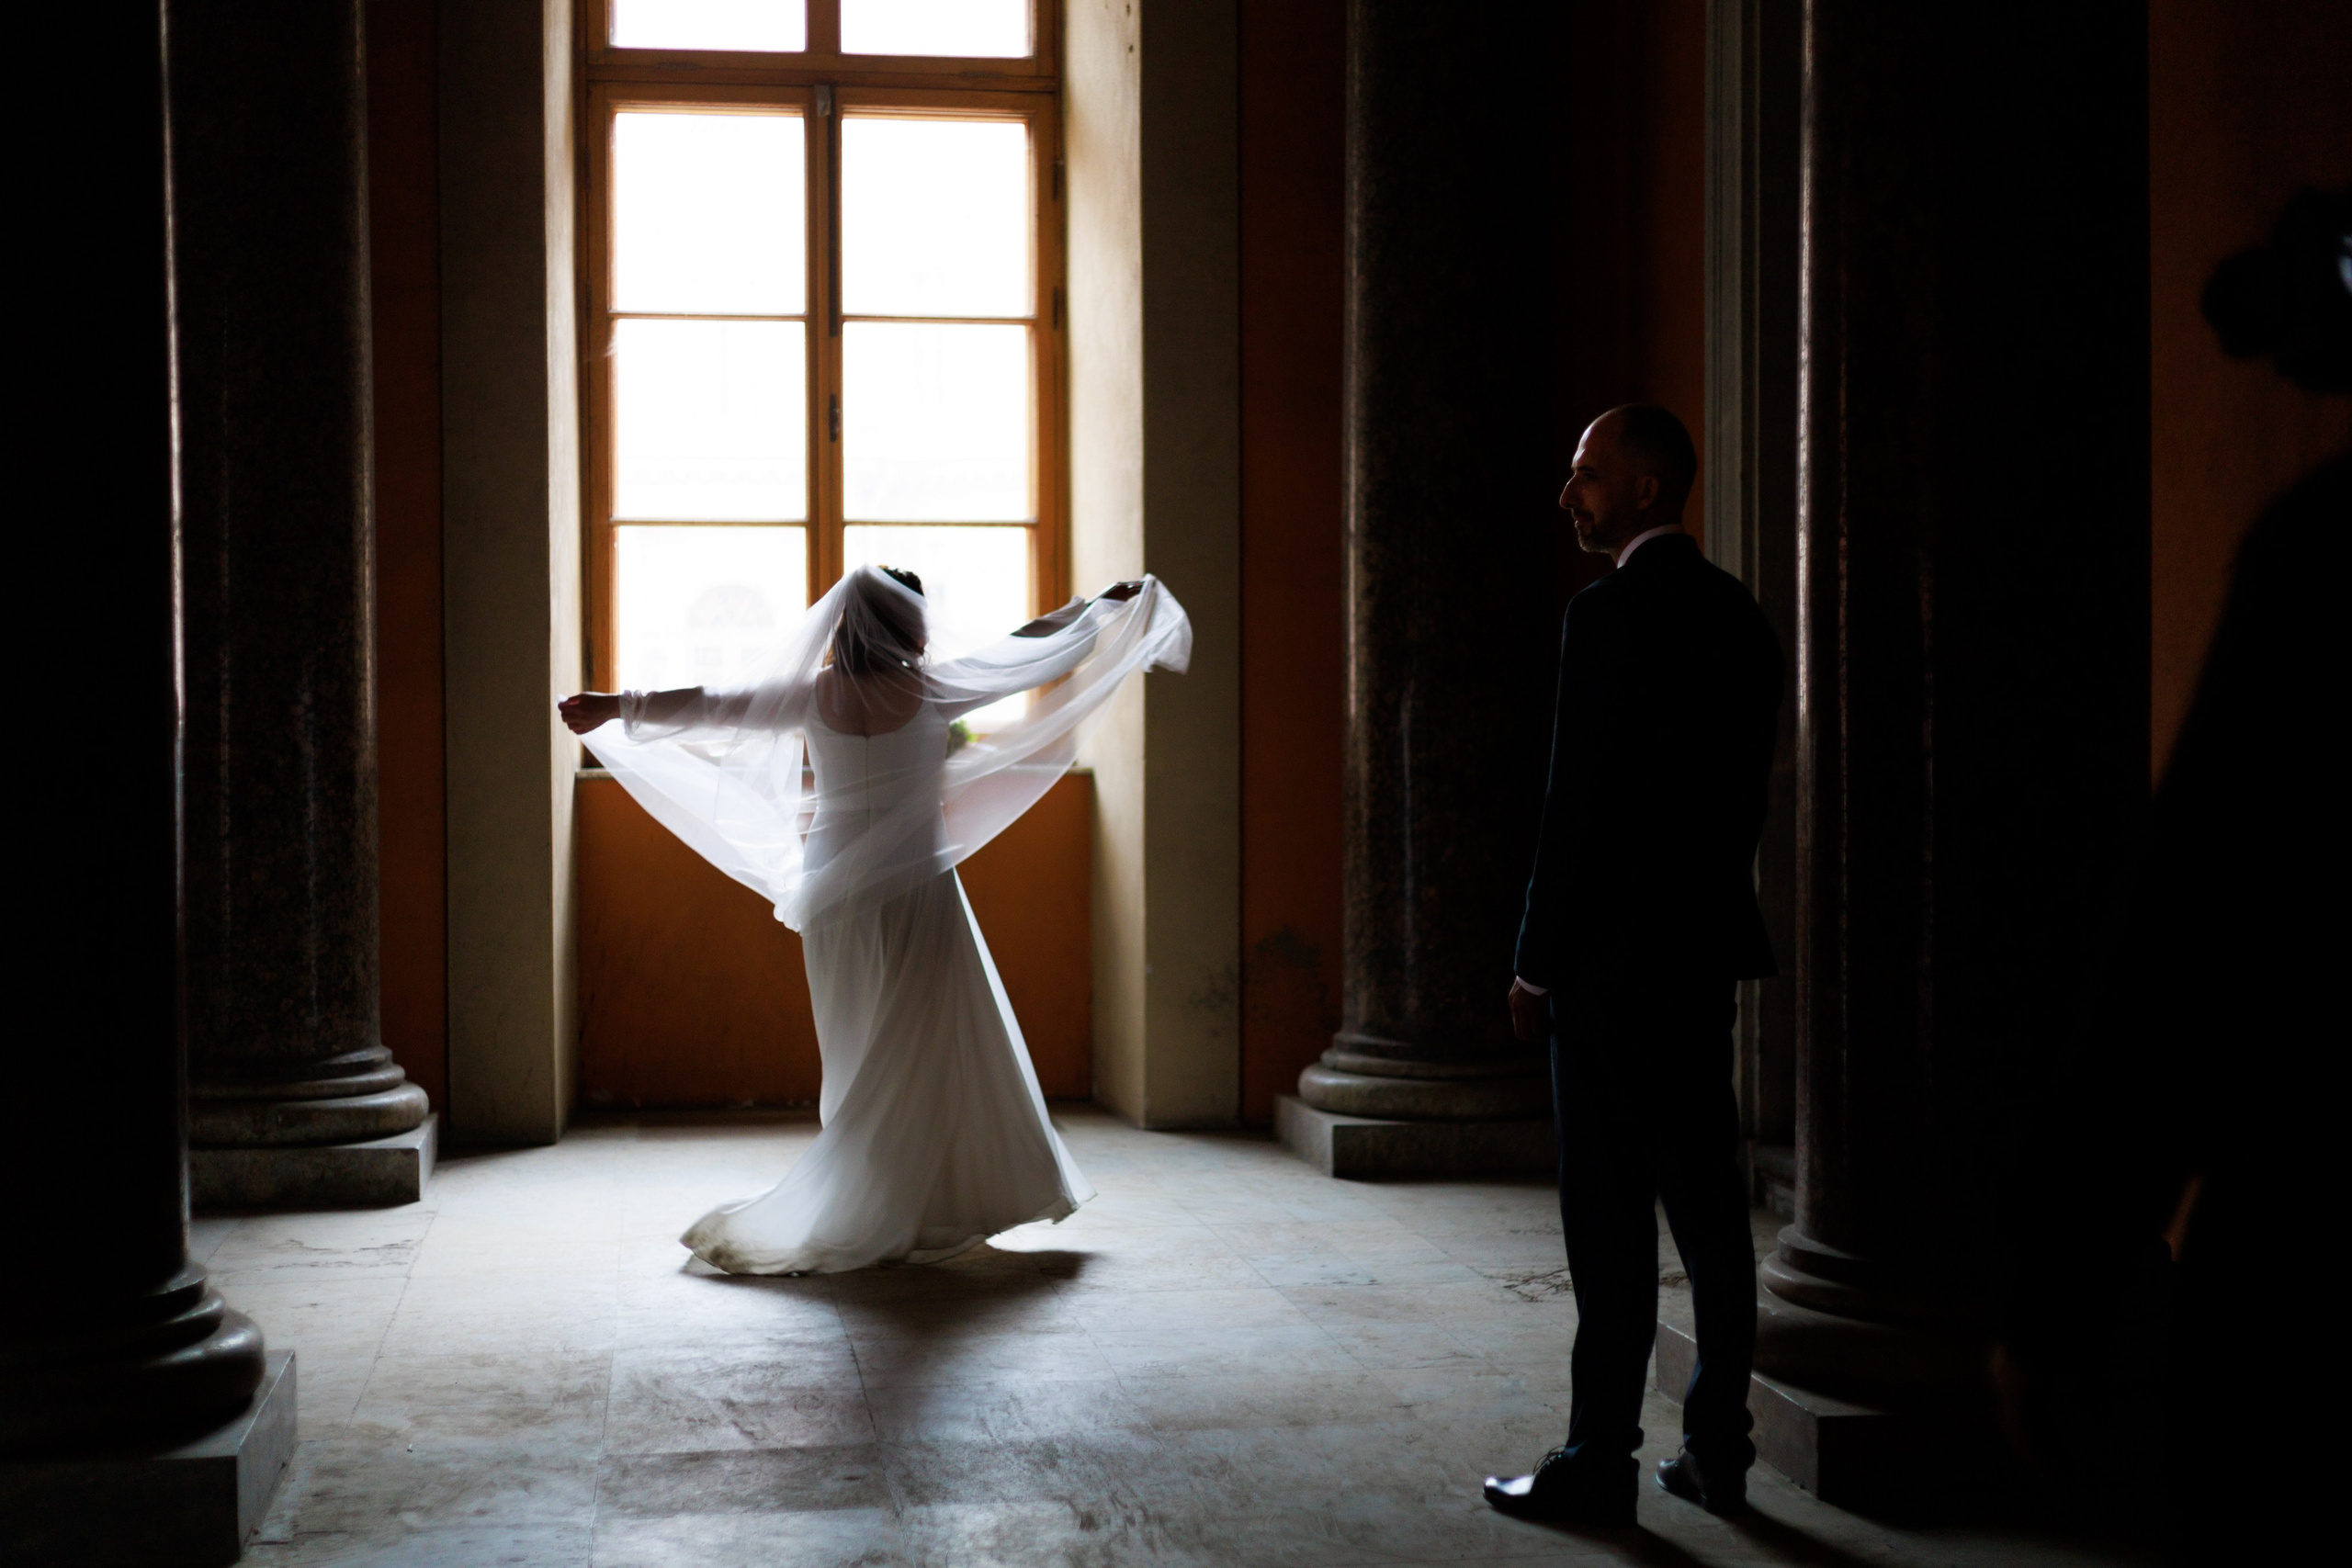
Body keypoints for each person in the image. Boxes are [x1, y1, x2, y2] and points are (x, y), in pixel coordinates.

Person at [560, 565, 1190, 1274]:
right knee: (927, 1043)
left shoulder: (811, 694)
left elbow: (714, 703)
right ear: (909, 626)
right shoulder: (933, 689)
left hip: (834, 894)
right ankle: (898, 1202)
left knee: (859, 1048)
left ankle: (881, 1195)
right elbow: (1025, 645)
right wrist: (1095, 611)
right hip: (917, 885)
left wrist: (617, 704)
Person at [1484, 405, 1783, 1525]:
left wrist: (1534, 962)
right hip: (1698, 963)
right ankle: (1718, 1451)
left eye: (1589, 476)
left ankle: (1597, 1464)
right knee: (1712, 1223)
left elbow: (1576, 813)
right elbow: (1736, 804)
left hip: (1607, 976)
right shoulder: (1743, 619)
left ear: (1647, 490)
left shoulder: (1605, 617)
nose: (1571, 495)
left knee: (1606, 1228)